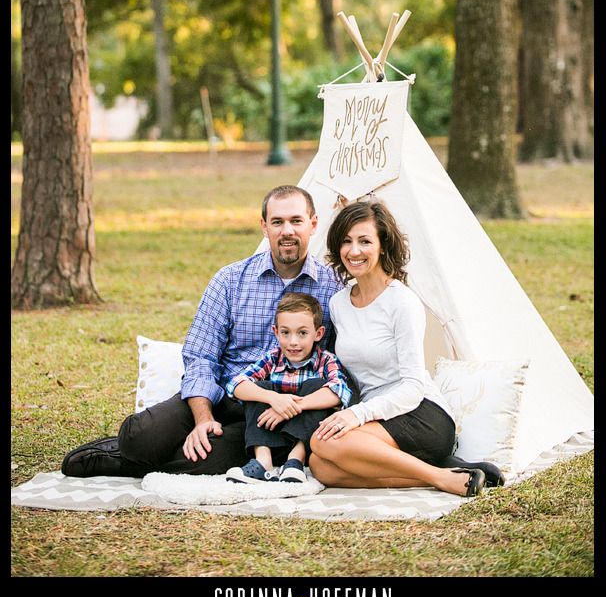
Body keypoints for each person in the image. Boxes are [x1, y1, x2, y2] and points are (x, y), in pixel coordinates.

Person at [61, 185, 343, 478]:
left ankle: (124, 463)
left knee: (209, 461)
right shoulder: (230, 280)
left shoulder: (332, 287)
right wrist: (203, 418)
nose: (287, 231)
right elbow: (201, 356)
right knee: (140, 434)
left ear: (313, 224)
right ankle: (133, 448)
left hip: (279, 410)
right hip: (222, 395)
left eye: (296, 221)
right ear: (264, 226)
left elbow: (336, 365)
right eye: (277, 222)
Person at [309, 200, 504, 498]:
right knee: (320, 466)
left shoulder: (402, 302)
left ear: (383, 246)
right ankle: (442, 473)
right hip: (376, 418)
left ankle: (439, 473)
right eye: (346, 241)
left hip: (420, 413)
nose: (354, 250)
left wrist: (357, 416)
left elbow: (412, 386)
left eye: (364, 241)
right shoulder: (338, 304)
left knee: (325, 445)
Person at [224, 292, 352, 484]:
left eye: (302, 333)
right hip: (270, 432)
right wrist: (273, 399)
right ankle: (263, 461)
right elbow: (235, 385)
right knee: (259, 388)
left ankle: (295, 462)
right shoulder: (272, 358)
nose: (293, 342)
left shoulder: (326, 361)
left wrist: (291, 408)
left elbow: (340, 391)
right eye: (285, 333)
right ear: (276, 332)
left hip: (305, 439)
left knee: (317, 387)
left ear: (318, 334)